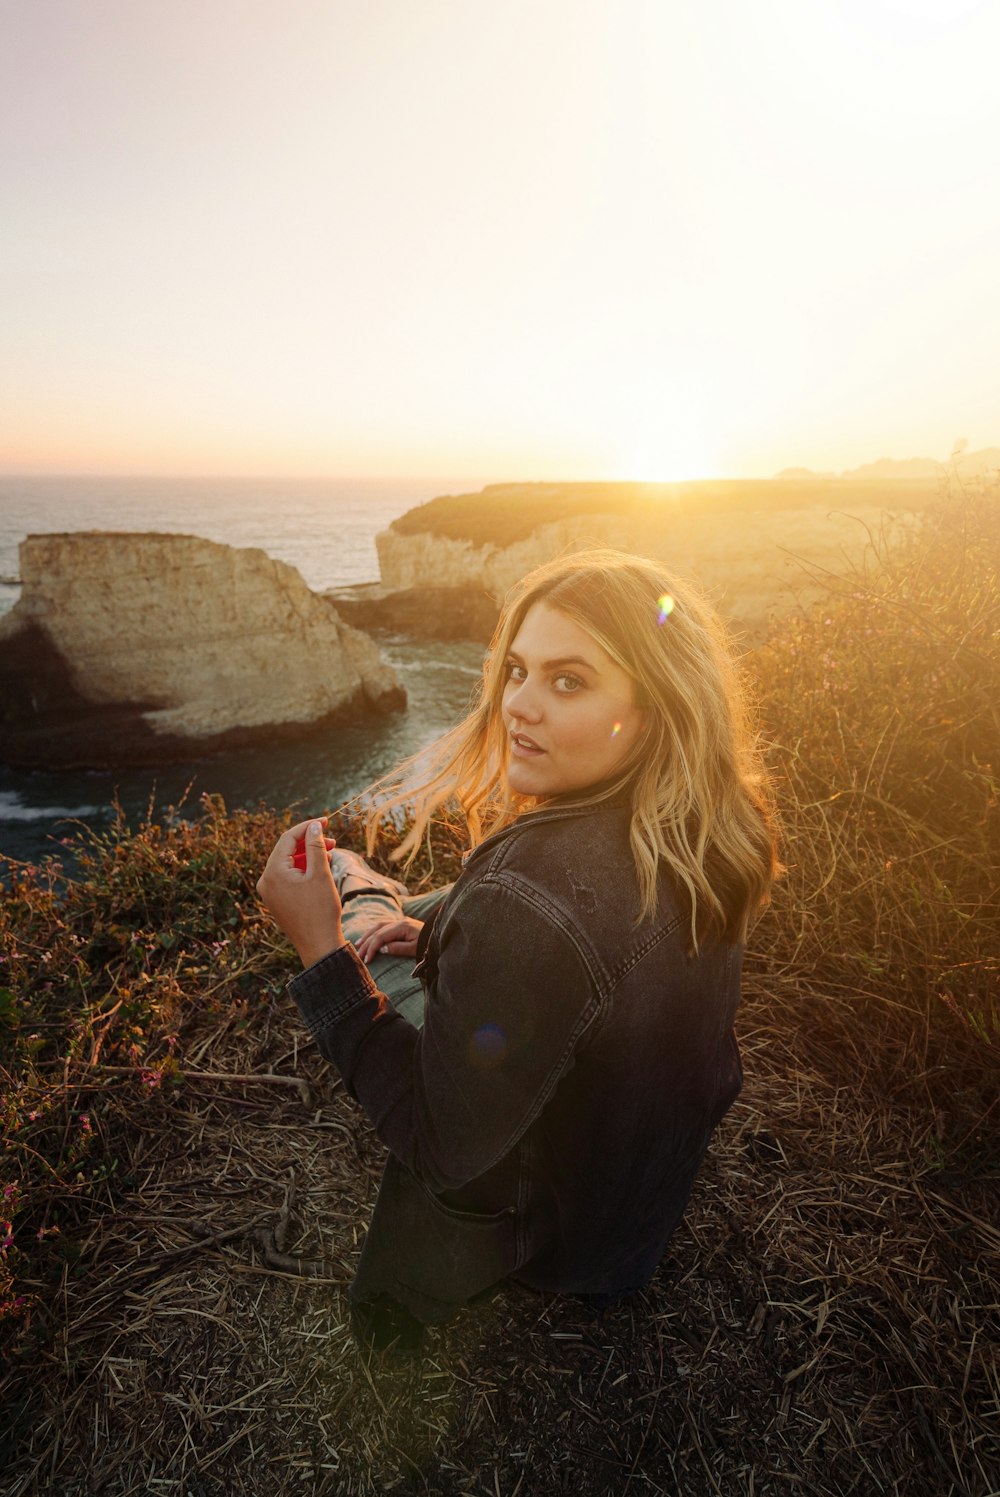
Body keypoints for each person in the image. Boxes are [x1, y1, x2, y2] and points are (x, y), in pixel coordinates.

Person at [257, 548, 778, 1348]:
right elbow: (595, 980)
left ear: (656, 706)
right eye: (517, 671)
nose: (518, 706)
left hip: (551, 1244)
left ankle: (352, 883)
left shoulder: (527, 899)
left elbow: (440, 1145)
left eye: (568, 681)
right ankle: (381, 897)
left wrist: (320, 949)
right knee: (413, 917)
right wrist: (446, 935)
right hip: (628, 1224)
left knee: (357, 912)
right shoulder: (704, 826)